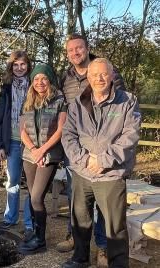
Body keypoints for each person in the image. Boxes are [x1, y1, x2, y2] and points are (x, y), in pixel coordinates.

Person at [61, 58, 141, 268]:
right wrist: (85, 159)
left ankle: (118, 264)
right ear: (88, 77)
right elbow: (68, 135)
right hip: (82, 172)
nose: (99, 78)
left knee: (115, 227)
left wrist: (104, 161)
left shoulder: (127, 101)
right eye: (94, 74)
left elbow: (130, 137)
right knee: (80, 220)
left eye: (104, 74)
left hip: (111, 175)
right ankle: (80, 258)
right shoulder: (78, 103)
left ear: (112, 75)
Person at [57, 33, 125, 266]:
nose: (75, 53)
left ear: (87, 49)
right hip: (78, 159)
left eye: (79, 48)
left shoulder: (107, 74)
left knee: (107, 213)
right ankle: (77, 247)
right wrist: (83, 159)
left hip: (107, 162)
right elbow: (66, 125)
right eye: (70, 50)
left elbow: (124, 123)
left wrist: (103, 159)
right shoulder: (64, 78)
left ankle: (104, 248)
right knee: (80, 209)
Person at [18, 64, 67, 254]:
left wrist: (42, 150)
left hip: (49, 154)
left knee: (37, 196)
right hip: (30, 154)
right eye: (36, 79)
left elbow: (61, 129)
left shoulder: (59, 99)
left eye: (43, 78)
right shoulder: (28, 100)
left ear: (49, 80)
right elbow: (21, 130)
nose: (40, 82)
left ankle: (40, 241)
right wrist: (33, 149)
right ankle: (35, 234)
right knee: (32, 197)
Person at [0, 50, 33, 238]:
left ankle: (29, 222)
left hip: (33, 143)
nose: (19, 68)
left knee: (33, 185)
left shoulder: (35, 84)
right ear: (11, 66)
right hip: (13, 142)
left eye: (23, 64)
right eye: (15, 64)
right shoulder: (6, 88)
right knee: (13, 182)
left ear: (28, 65)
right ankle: (10, 217)